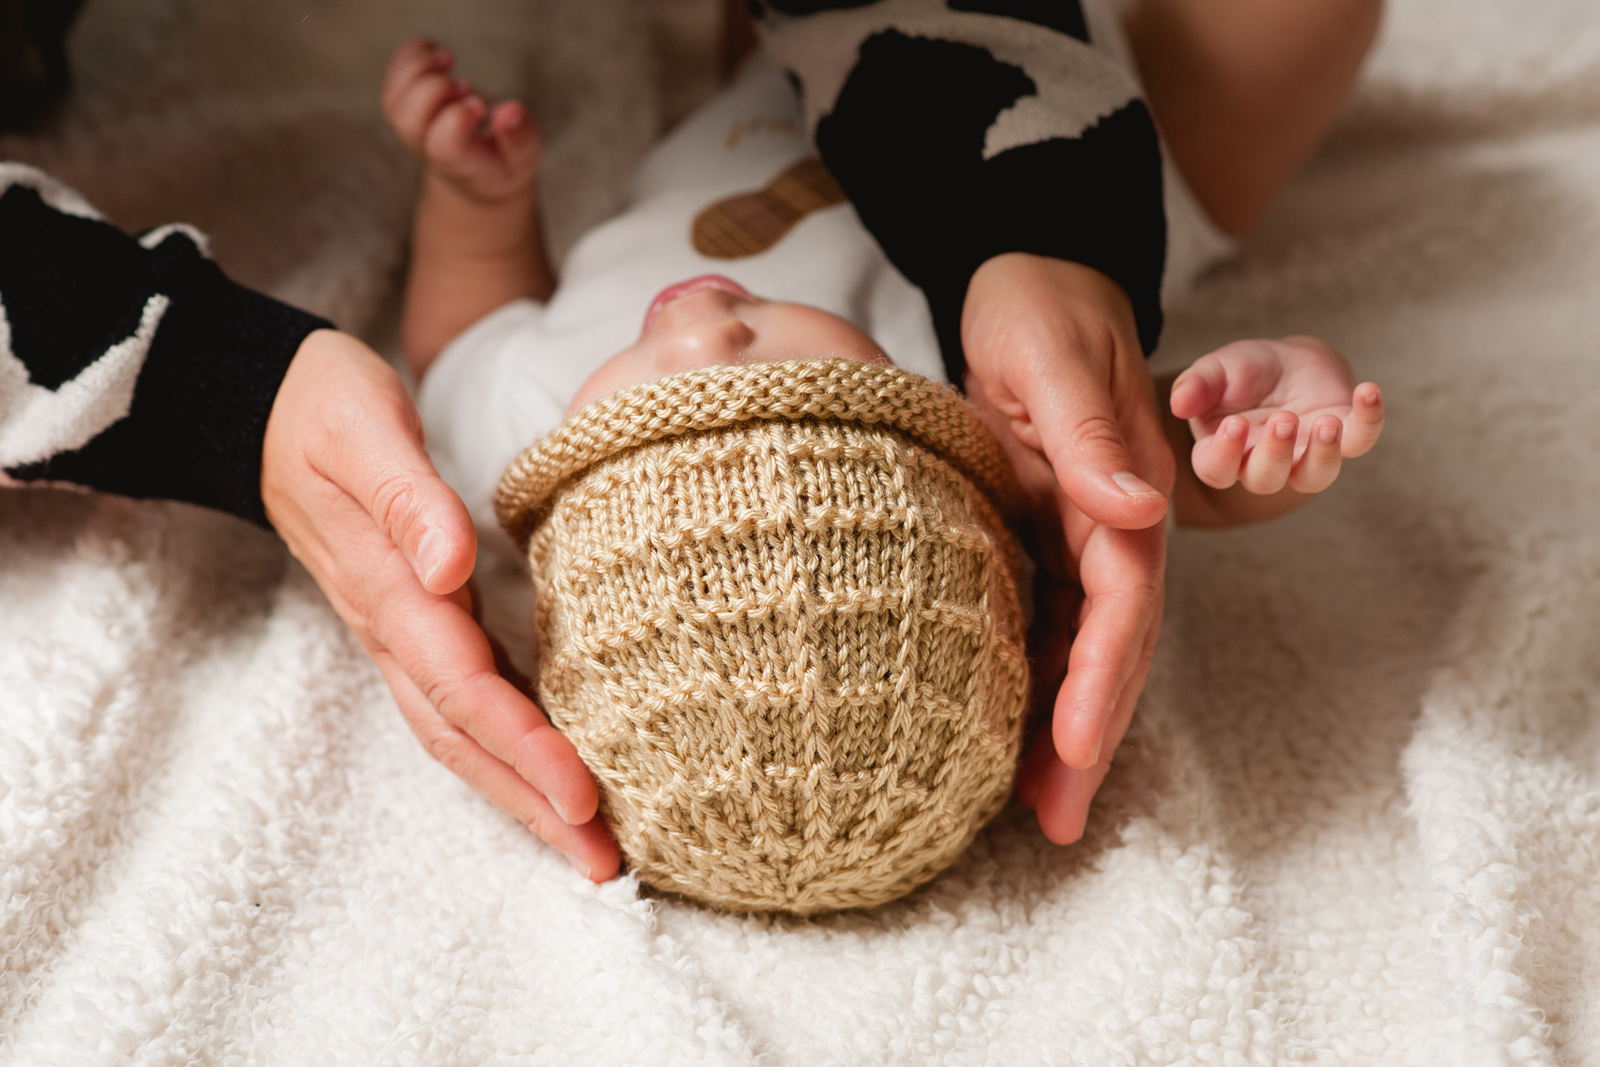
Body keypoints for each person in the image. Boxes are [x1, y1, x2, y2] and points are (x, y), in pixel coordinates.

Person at [0, 0, 1383, 879]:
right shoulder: (990, 432)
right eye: (779, 374)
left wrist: (477, 199)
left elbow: (472, 318)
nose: (701, 330)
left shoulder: (513, 446)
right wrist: (1257, 418)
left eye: (659, 393)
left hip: (792, 56)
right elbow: (1143, 473)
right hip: (1096, 182)